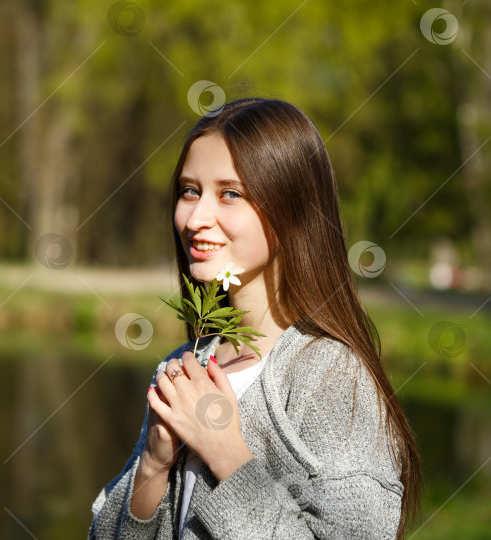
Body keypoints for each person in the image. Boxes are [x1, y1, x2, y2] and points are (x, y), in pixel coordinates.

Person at [88, 98, 422, 539]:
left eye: (230, 193)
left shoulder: (332, 377)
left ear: (292, 208)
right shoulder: (188, 364)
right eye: (190, 190)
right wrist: (152, 464)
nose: (196, 218)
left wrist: (226, 453)